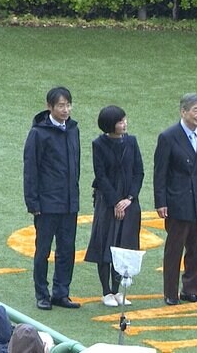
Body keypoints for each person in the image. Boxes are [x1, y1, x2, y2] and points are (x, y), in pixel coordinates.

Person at [153, 93, 197, 305]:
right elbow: (160, 173)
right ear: (184, 112)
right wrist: (160, 202)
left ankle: (191, 290)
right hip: (178, 201)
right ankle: (170, 293)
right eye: (195, 110)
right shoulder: (168, 136)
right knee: (174, 249)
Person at [23, 87, 81, 310]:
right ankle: (42, 293)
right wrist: (33, 203)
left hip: (69, 203)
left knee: (67, 250)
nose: (65, 109)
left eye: (68, 105)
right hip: (46, 205)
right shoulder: (38, 133)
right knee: (43, 250)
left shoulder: (73, 130)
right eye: (60, 105)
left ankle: (61, 292)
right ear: (50, 107)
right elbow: (31, 169)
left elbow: (75, 166)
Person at [84, 106, 144, 307]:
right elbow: (100, 176)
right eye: (120, 121)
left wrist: (129, 198)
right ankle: (106, 291)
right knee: (105, 244)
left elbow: (139, 172)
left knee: (123, 245)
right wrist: (115, 201)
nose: (124, 124)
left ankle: (118, 290)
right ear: (110, 125)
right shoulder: (98, 144)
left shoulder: (132, 141)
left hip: (129, 202)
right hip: (107, 202)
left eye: (125, 120)